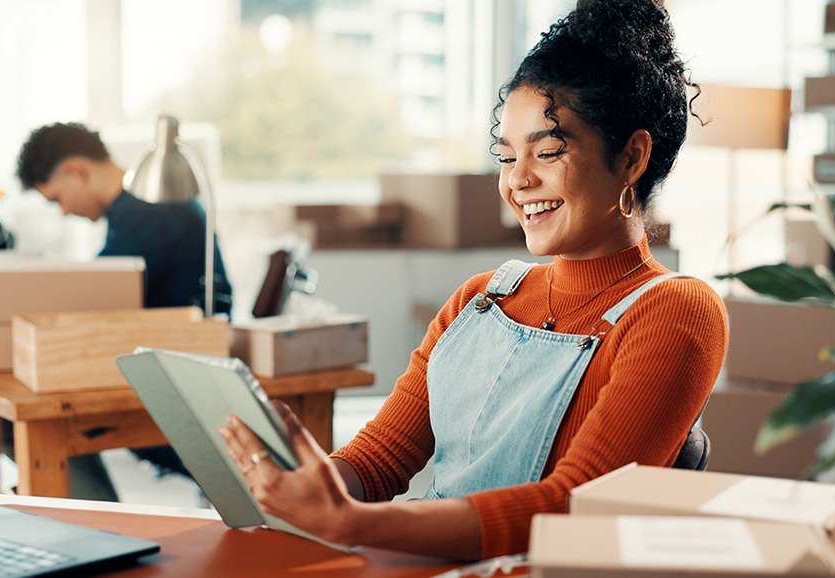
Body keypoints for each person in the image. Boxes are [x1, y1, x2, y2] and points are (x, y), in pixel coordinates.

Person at [220, 0, 728, 561]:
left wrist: (352, 523)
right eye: (506, 157)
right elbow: (378, 459)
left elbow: (571, 507)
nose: (517, 181)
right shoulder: (482, 298)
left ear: (631, 158)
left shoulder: (677, 309)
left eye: (548, 152)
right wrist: (302, 487)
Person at [14, 122, 233, 499]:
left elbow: (93, 295)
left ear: (76, 172)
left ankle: (89, 521)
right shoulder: (133, 211)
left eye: (56, 199)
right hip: (168, 364)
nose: (64, 212)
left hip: (181, 382)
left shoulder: (152, 211)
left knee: (40, 420)